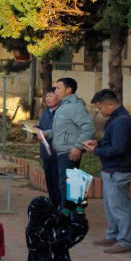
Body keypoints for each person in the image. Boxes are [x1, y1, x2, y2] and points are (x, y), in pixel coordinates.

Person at [82, 89, 131, 253]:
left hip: (118, 169)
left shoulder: (121, 121)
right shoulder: (116, 118)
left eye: (100, 108)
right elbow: (114, 141)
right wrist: (98, 143)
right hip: (111, 169)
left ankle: (124, 241)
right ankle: (113, 235)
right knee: (111, 206)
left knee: (119, 207)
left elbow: (119, 148)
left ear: (110, 105)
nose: (99, 111)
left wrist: (96, 151)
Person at [48, 78, 94, 207]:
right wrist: (46, 133)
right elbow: (64, 129)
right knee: (66, 186)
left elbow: (89, 128)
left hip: (69, 153)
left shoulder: (75, 106)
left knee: (68, 186)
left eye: (58, 88)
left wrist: (78, 147)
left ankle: (68, 215)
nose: (55, 91)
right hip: (61, 151)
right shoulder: (64, 105)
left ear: (68, 90)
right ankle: (67, 213)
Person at [37, 86, 63, 206]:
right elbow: (42, 127)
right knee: (50, 181)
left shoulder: (63, 112)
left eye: (50, 96)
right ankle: (53, 205)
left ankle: (61, 207)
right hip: (46, 151)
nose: (47, 99)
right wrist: (36, 129)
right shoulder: (46, 112)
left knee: (59, 182)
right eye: (46, 96)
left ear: (59, 96)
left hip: (58, 152)